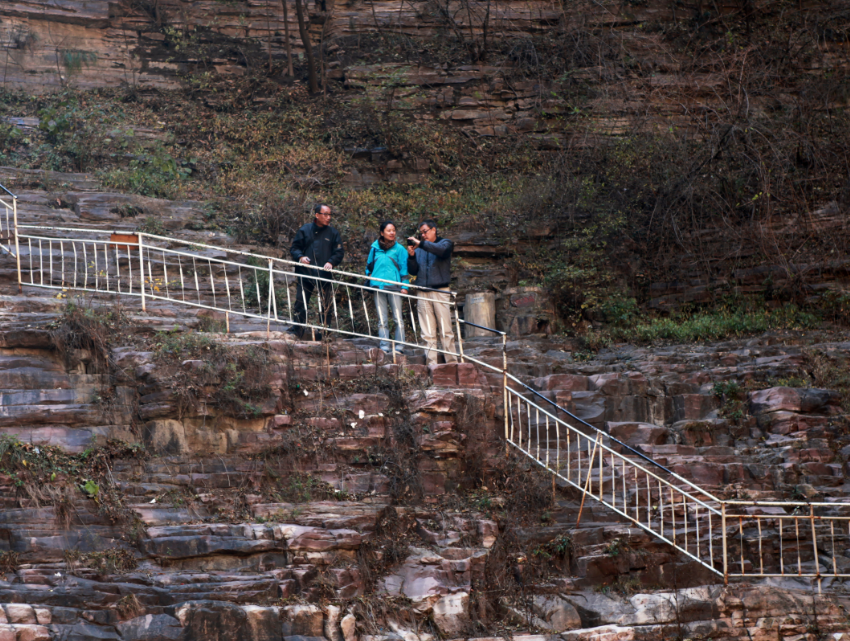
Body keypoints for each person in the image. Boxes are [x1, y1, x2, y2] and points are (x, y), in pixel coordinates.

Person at [288, 204, 344, 339]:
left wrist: (331, 262)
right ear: (317, 215)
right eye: (325, 214)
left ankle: (324, 332)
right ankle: (298, 330)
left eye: (330, 215)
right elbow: (295, 248)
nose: (328, 217)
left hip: (324, 274)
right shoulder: (305, 230)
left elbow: (339, 252)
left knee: (326, 304)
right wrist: (300, 257)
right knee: (301, 302)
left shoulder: (333, 233)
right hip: (306, 272)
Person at [407, 219, 457, 365]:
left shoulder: (445, 243)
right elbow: (413, 271)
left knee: (445, 329)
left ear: (434, 229)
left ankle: (452, 362)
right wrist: (411, 256)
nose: (423, 235)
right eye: (421, 233)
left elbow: (441, 251)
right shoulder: (420, 248)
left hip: (440, 291)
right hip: (422, 291)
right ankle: (431, 364)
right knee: (427, 332)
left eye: (425, 232)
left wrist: (421, 244)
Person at [365, 221, 410, 354]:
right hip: (378, 287)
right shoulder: (374, 248)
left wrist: (405, 286)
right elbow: (369, 266)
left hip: (395, 287)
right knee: (382, 319)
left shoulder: (400, 249)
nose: (392, 233)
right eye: (389, 230)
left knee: (398, 319)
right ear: (382, 233)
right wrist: (370, 277)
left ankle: (399, 347)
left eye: (393, 230)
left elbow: (404, 268)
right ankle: (384, 346)